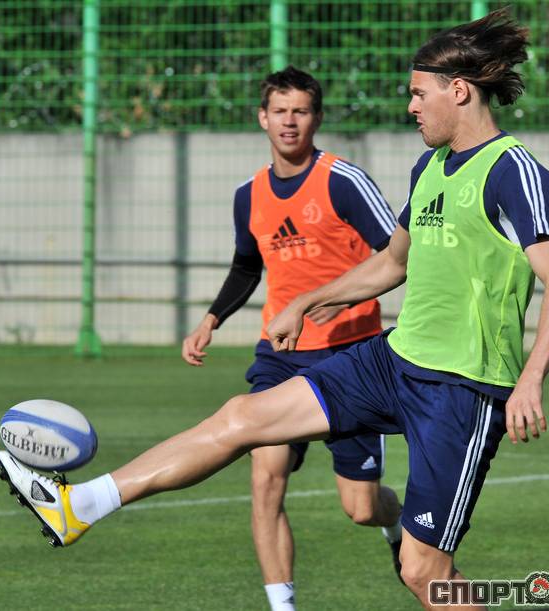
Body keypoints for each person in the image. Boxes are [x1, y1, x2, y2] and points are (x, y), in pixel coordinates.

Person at [0, 10, 549, 610]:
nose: (410, 107)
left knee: (422, 570)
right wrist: (306, 300)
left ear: (458, 91)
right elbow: (392, 263)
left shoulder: (513, 170)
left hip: (462, 388)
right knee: (242, 417)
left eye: (417, 93)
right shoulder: (428, 168)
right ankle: (78, 507)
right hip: (392, 361)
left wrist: (531, 379)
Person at [180, 66, 403, 609]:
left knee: (361, 508)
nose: (289, 121)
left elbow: (397, 253)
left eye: (300, 111)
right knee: (265, 478)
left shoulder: (343, 181)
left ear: (316, 118)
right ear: (262, 118)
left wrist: (338, 300)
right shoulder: (248, 195)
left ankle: (395, 522)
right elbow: (246, 265)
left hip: (352, 358)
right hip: (281, 356)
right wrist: (211, 319)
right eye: (279, 111)